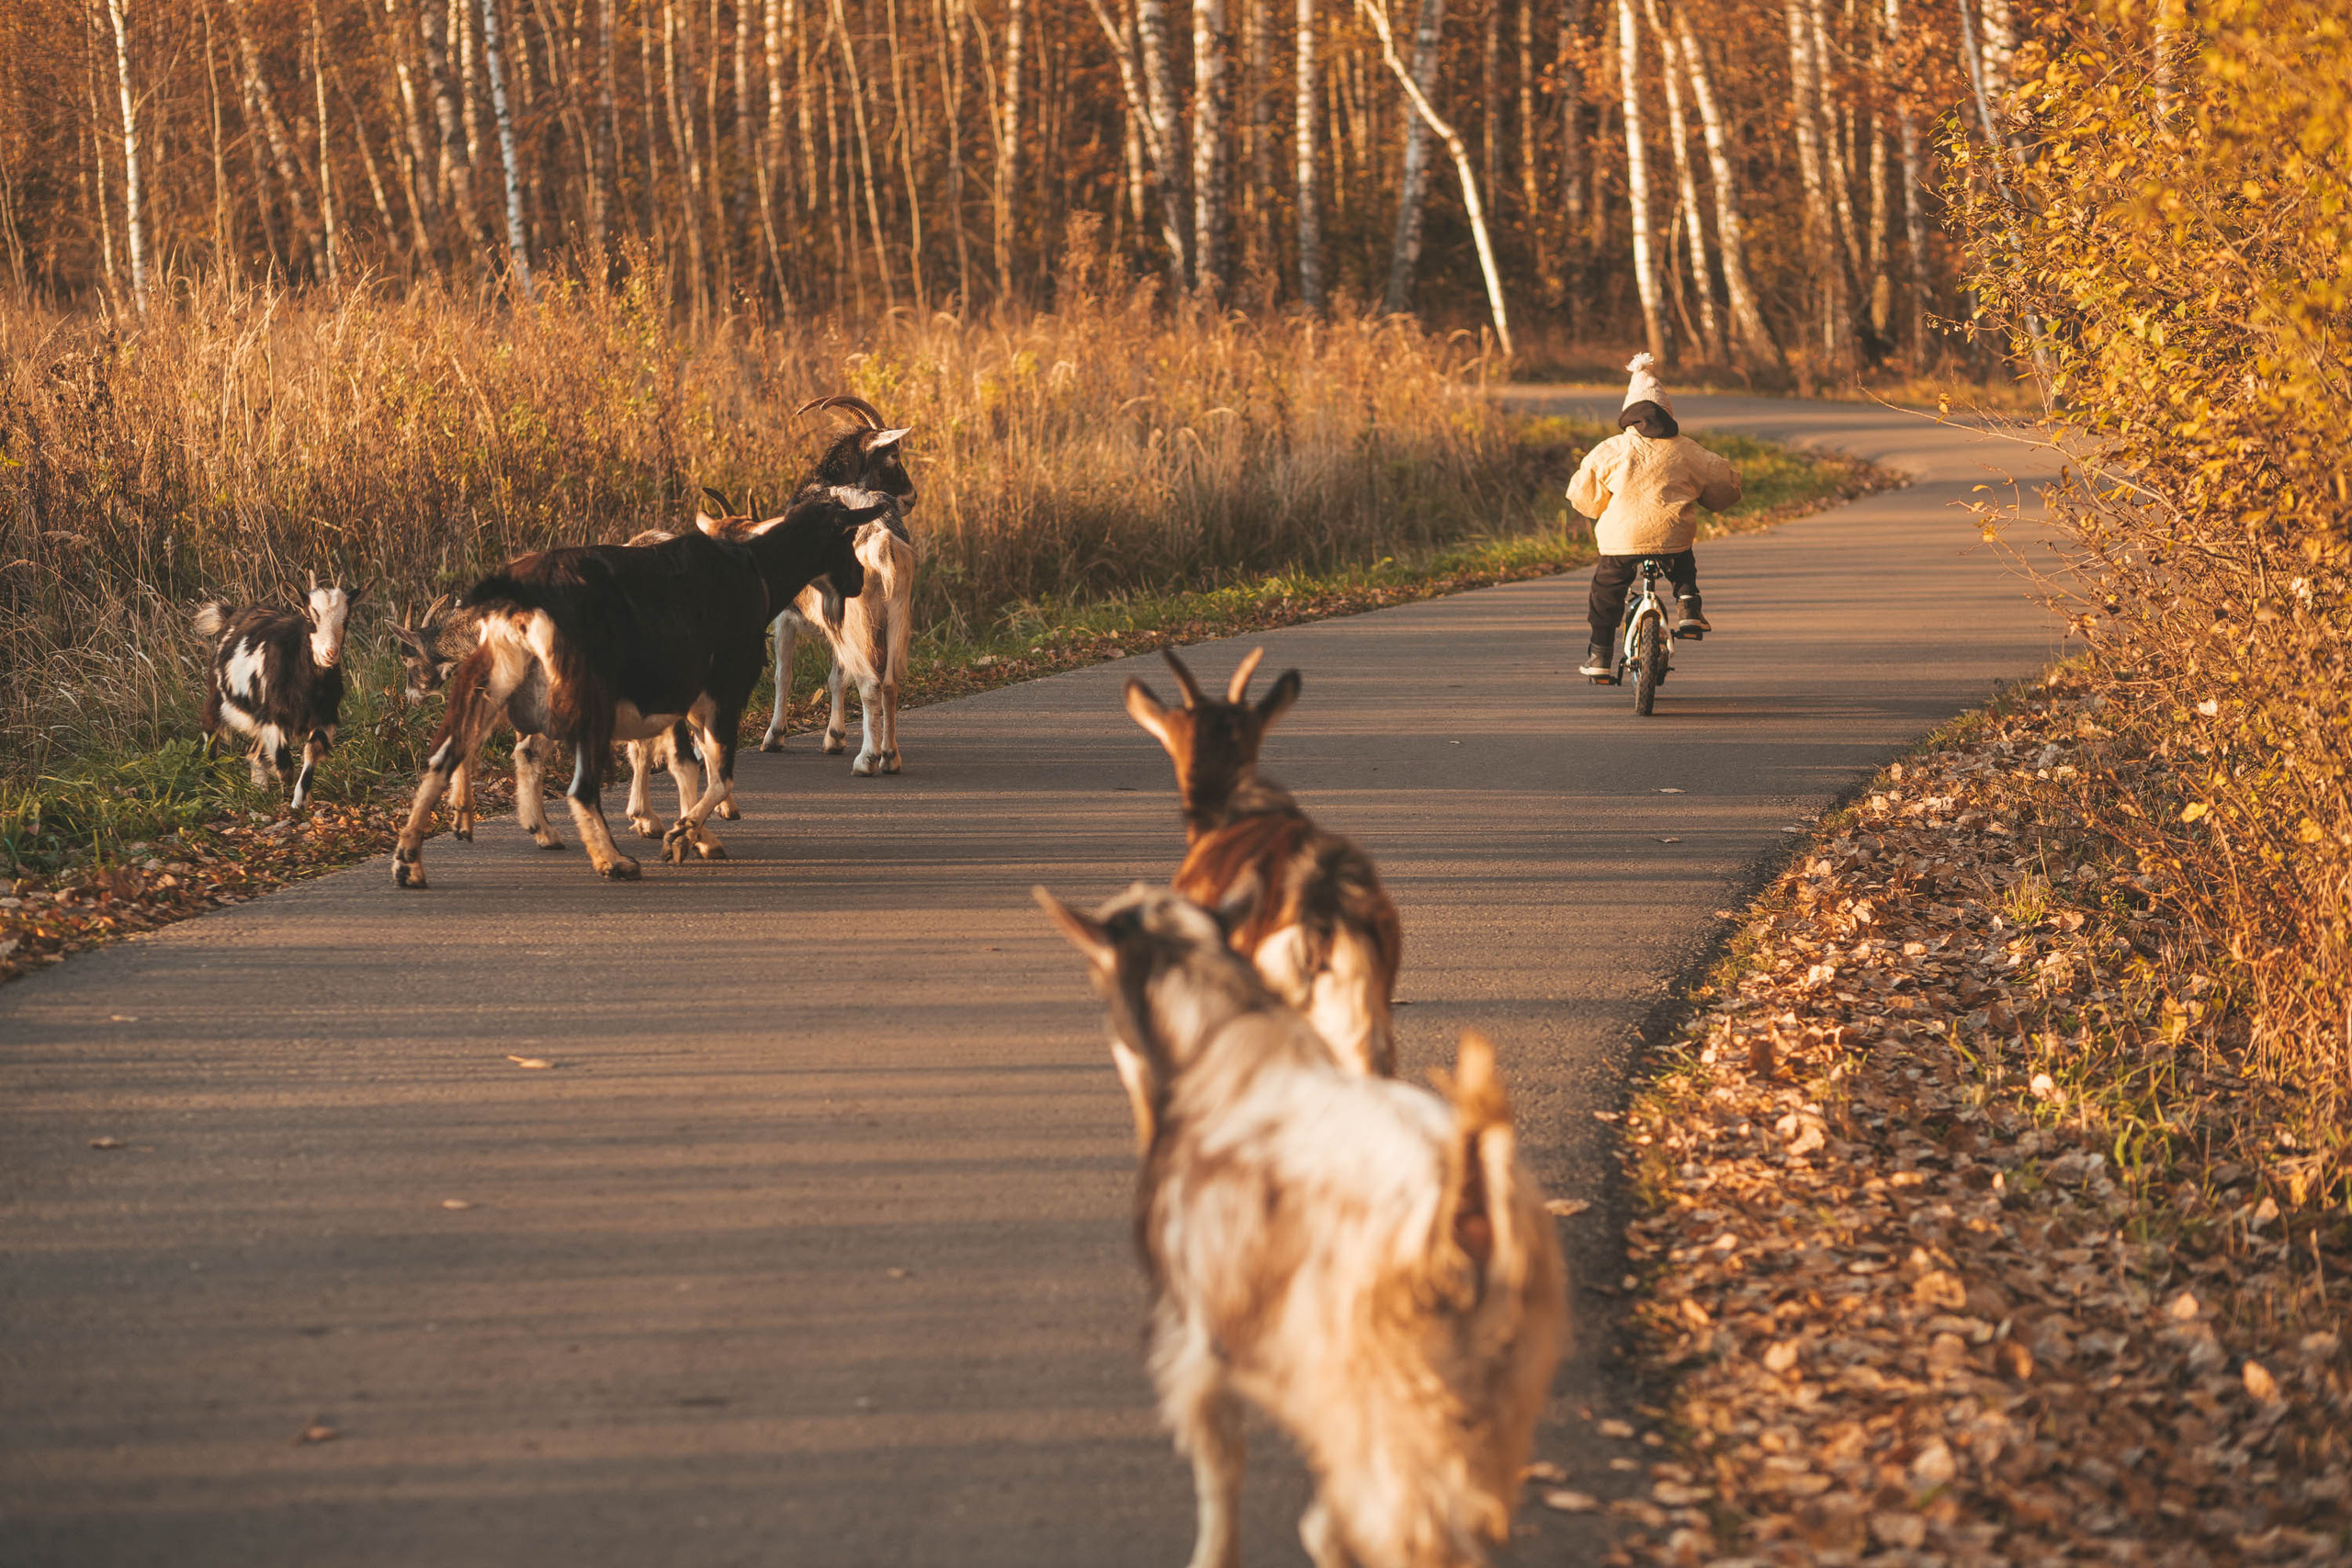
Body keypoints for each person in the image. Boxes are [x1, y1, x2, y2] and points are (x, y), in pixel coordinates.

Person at [1566, 354, 1742, 679]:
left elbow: (1583, 495)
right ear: (1668, 414)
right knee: (1682, 561)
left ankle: (1600, 657)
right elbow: (1723, 485)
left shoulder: (1611, 449)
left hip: (1622, 541)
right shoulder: (1689, 449)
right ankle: (1689, 607)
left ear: (1628, 416)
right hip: (1672, 535)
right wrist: (1706, 496)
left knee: (1605, 591)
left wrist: (1599, 508)